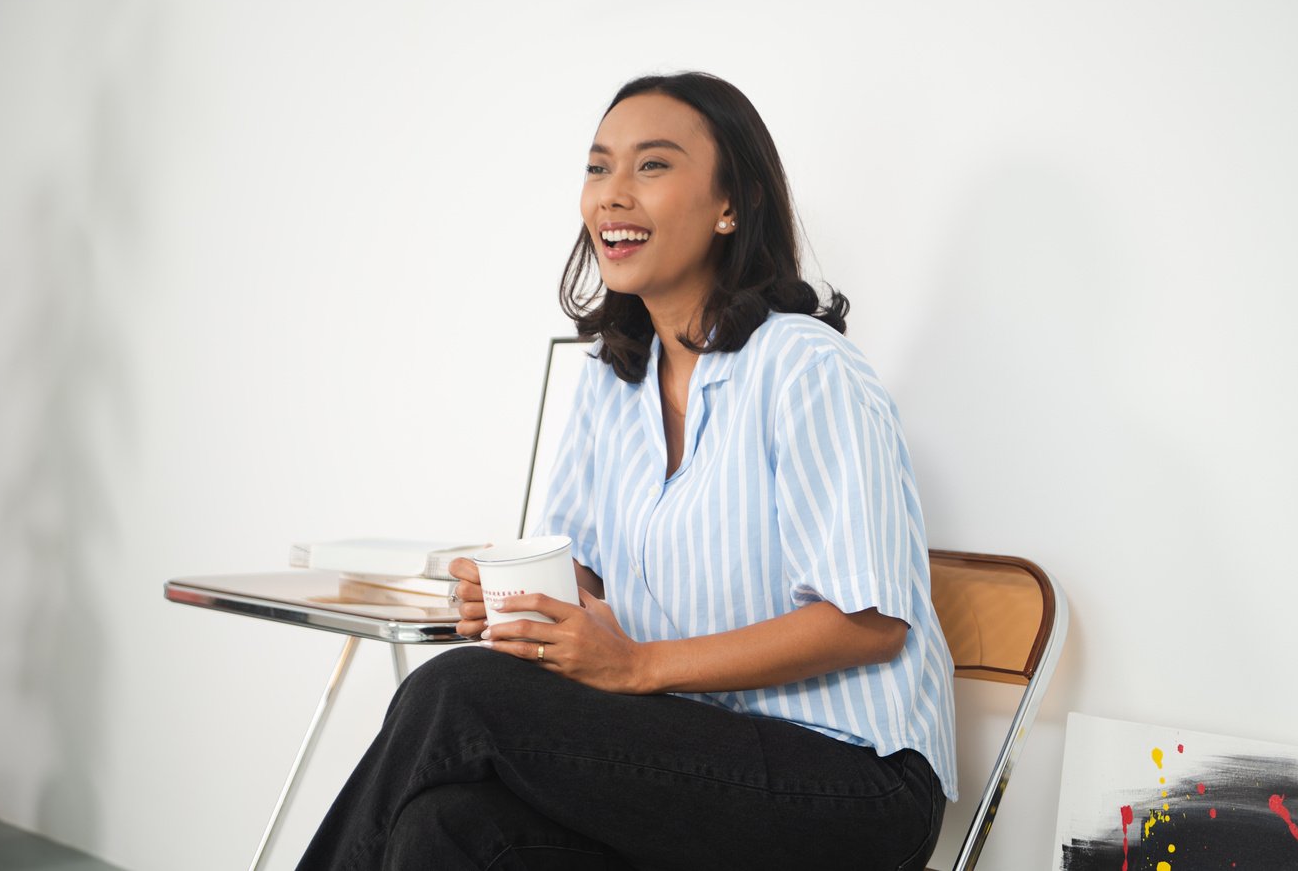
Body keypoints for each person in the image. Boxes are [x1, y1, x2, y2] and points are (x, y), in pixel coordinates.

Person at [299, 72, 957, 870]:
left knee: (456, 694)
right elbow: (582, 581)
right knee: (443, 827)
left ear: (731, 205)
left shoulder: (806, 368)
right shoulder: (615, 382)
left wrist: (639, 665)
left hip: (853, 784)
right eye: (598, 166)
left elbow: (871, 619)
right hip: (692, 757)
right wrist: (509, 595)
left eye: (651, 166)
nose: (613, 194)